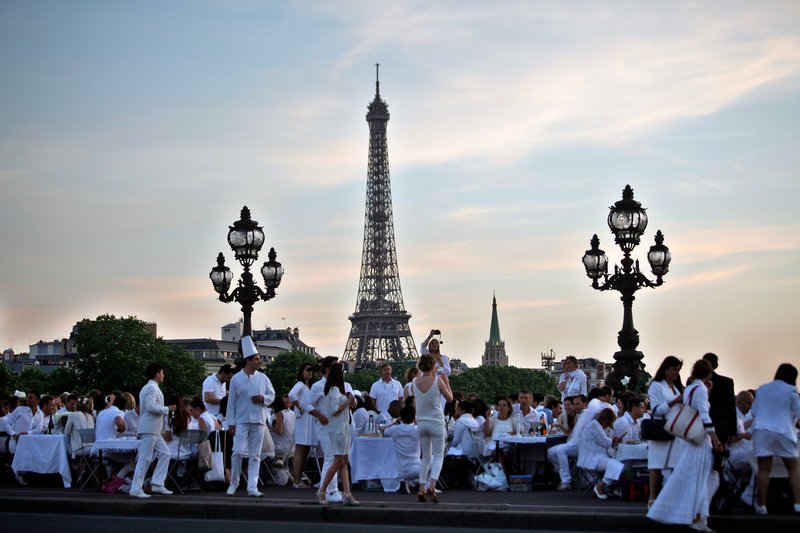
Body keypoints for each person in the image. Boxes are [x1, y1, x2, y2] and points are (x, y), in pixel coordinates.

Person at [648, 359, 722, 532]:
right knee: (702, 477)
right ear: (709, 374)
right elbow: (703, 414)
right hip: (691, 436)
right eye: (674, 369)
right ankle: (696, 515)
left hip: (681, 434)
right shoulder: (662, 387)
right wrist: (716, 439)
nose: (676, 373)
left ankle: (685, 511)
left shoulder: (687, 388)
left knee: (684, 474)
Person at [226, 336, 275, 498]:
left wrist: (264, 399)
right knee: (238, 451)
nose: (259, 361)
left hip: (259, 420)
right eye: (256, 359)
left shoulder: (263, 378)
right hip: (241, 420)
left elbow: (272, 395)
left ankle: (252, 486)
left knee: (255, 455)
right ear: (248, 360)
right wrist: (230, 423)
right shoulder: (236, 379)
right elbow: (231, 402)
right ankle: (234, 482)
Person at [750, 363, 800, 515]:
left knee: (764, 469)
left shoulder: (762, 389)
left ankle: (763, 506)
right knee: (793, 467)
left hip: (762, 430)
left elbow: (753, 412)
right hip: (784, 431)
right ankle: (798, 504)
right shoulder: (792, 390)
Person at [547, 387, 614, 491]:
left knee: (560, 450)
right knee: (550, 452)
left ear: (586, 403)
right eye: (574, 404)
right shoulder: (579, 415)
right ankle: (569, 474)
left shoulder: (591, 413)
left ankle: (566, 480)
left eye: (577, 404)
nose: (575, 406)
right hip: (577, 443)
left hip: (584, 445)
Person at [130, 363, 176, 498]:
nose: (163, 375)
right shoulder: (151, 388)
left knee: (165, 453)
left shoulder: (150, 387)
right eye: (162, 372)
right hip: (150, 428)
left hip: (153, 429)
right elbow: (150, 407)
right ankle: (136, 487)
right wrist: (167, 409)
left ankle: (157, 484)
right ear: (157, 373)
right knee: (145, 457)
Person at [315, 363, 359, 506]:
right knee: (338, 461)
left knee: (343, 461)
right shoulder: (334, 390)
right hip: (338, 429)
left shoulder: (337, 390)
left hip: (343, 427)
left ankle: (346, 493)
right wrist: (348, 401)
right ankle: (322, 490)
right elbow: (334, 410)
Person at [412, 353, 453, 503]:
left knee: (425, 457)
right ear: (433, 366)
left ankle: (421, 487)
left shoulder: (414, 382)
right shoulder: (437, 381)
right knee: (438, 456)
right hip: (436, 422)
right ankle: (432, 484)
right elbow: (450, 399)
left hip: (421, 423)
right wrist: (446, 382)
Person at [647, 355, 685, 506]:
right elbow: (656, 410)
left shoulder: (675, 387)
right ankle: (653, 497)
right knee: (656, 466)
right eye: (674, 369)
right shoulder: (656, 386)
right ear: (666, 370)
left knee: (674, 465)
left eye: (678, 370)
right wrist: (674, 402)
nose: (676, 373)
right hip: (661, 430)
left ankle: (669, 498)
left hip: (675, 430)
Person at [579, 408, 624, 499]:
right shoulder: (594, 426)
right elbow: (605, 442)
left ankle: (613, 487)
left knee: (620, 464)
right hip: (591, 458)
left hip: (596, 456)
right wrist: (614, 441)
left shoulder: (596, 426)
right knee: (618, 466)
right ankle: (600, 486)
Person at [287, 361, 316, 489]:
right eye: (307, 370)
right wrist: (299, 406)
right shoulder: (300, 384)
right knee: (300, 449)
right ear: (302, 372)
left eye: (311, 370)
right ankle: (297, 481)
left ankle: (298, 478)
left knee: (306, 449)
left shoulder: (310, 387)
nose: (310, 372)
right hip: (303, 419)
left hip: (309, 419)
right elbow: (291, 394)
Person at [385, 404, 421, 494]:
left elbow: (385, 431)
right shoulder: (418, 430)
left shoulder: (394, 430)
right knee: (434, 459)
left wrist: (397, 422)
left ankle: (406, 482)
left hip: (399, 470)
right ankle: (425, 485)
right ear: (414, 417)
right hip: (416, 468)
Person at [702, 353, 737, 446]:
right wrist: (732, 430)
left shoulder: (693, 382)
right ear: (716, 365)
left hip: (698, 424)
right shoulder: (726, 382)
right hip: (719, 426)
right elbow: (731, 407)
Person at [484, 397, 518, 478]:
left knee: (505, 452)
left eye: (504, 405)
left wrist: (506, 434)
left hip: (508, 444)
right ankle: (504, 476)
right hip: (493, 444)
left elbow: (517, 432)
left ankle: (505, 475)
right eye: (499, 405)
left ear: (509, 408)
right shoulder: (493, 419)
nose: (501, 407)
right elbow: (487, 433)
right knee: (499, 451)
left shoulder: (513, 420)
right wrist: (488, 418)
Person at [269, 394, 296, 461]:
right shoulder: (293, 414)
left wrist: (269, 428)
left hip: (280, 448)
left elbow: (279, 431)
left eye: (287, 402)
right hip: (292, 448)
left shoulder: (279, 414)